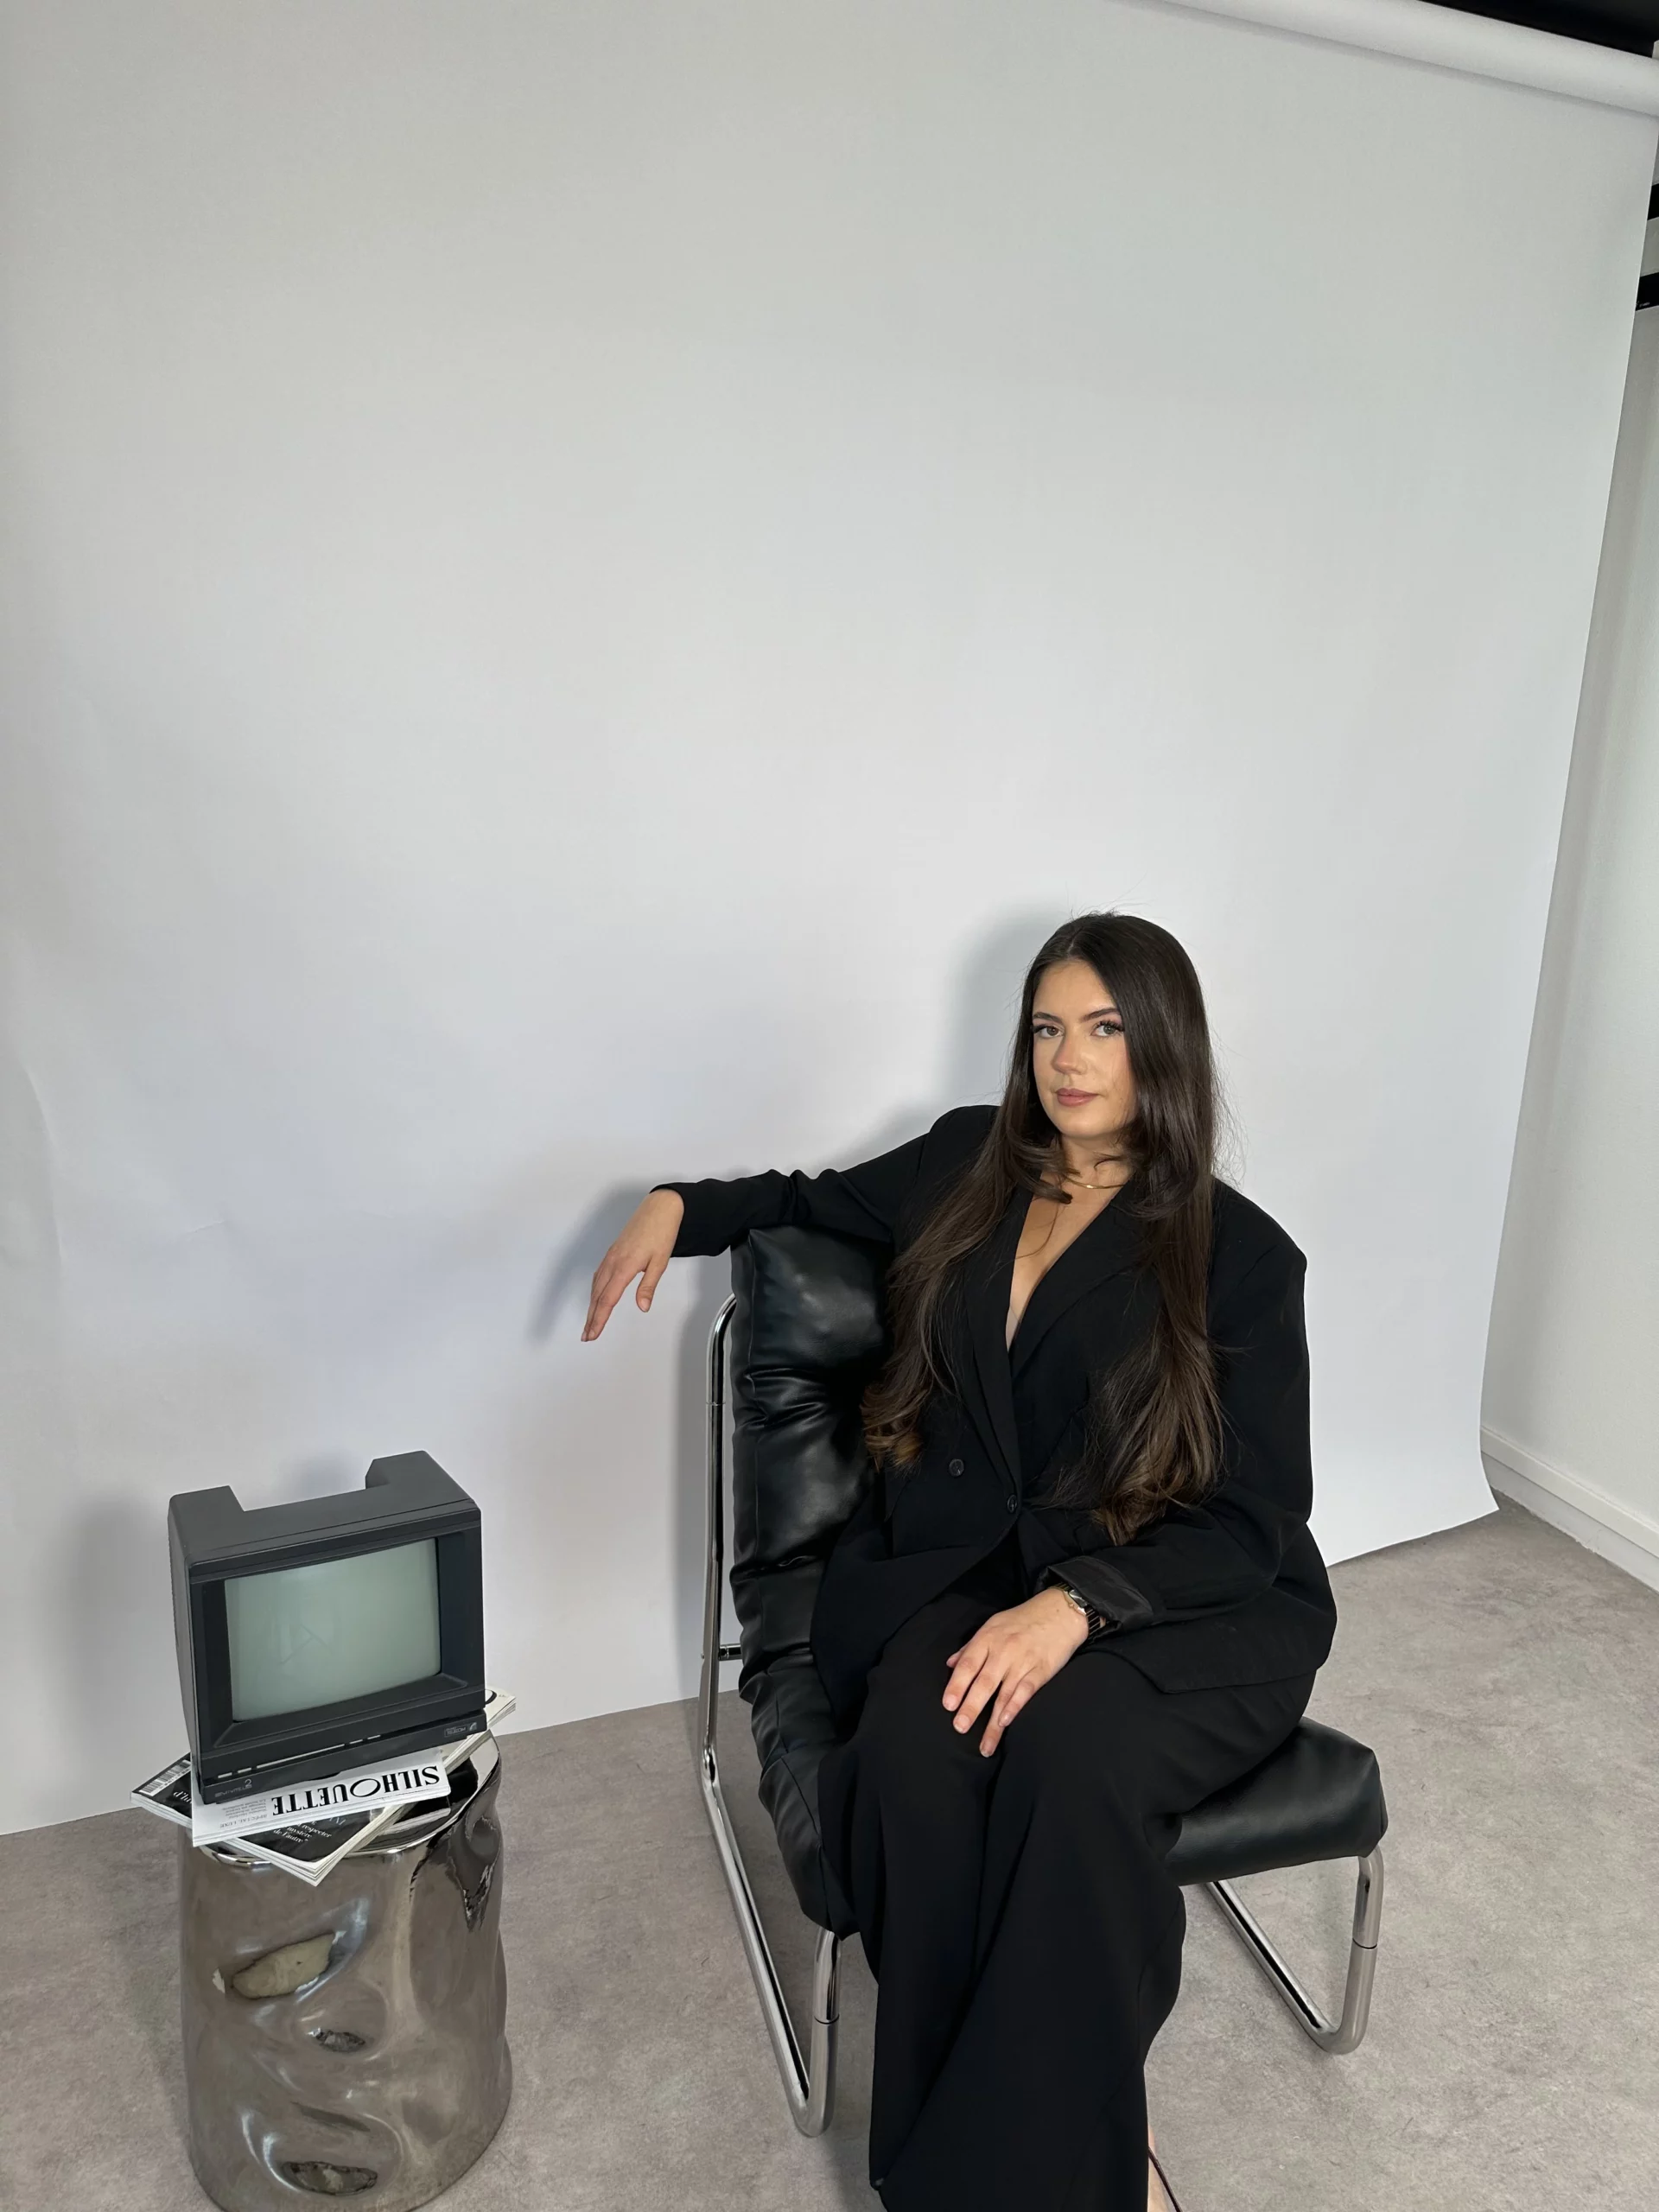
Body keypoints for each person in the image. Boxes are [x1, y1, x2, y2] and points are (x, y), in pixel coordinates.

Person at [582, 911, 1338, 2212]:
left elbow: (1256, 1511)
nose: (1070, 1058)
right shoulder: (966, 1164)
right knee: (912, 1775)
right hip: (960, 1577)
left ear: (1165, 1043)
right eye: (1048, 1028)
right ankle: (1072, 2159)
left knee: (1069, 1767)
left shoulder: (1244, 1256)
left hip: (1182, 1596)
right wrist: (676, 1206)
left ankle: (1073, 2181)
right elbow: (804, 1202)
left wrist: (1080, 1607)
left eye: (1105, 1027)